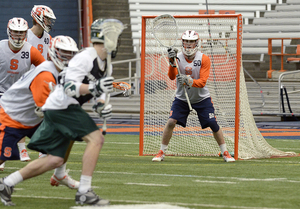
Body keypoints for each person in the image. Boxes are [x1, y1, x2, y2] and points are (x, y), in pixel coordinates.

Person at [0, 18, 121, 206]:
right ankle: (84, 191)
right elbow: (70, 87)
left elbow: (99, 92)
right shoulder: (79, 60)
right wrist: (94, 88)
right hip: (55, 107)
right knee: (96, 139)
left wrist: (101, 105)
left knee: (54, 159)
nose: (68, 58)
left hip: (56, 108)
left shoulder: (106, 62)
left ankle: (8, 183)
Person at [0, 36, 80, 200]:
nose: (68, 58)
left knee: (64, 138)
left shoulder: (56, 71)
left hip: (29, 118)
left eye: (71, 54)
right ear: (54, 52)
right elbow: (45, 109)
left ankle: (60, 174)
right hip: (10, 118)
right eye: (64, 53)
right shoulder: (46, 74)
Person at [152, 30, 235, 163]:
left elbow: (202, 82)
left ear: (197, 42)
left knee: (212, 123)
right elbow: (172, 76)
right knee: (171, 121)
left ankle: (225, 152)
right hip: (182, 98)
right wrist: (172, 62)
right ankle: (161, 152)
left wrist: (189, 81)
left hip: (202, 98)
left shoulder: (204, 59)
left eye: (191, 41)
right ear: (182, 42)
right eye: (186, 41)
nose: (189, 44)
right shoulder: (177, 57)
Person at [0, 17, 45, 170]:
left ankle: (40, 153)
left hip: (19, 96)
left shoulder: (30, 50)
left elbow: (45, 70)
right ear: (9, 31)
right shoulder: (0, 48)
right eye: (15, 32)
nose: (18, 36)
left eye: (21, 33)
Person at [14, 5, 57, 163]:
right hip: (25, 79)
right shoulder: (25, 36)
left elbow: (52, 52)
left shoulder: (47, 37)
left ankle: (41, 148)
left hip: (42, 80)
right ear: (38, 18)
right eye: (46, 18)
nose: (49, 22)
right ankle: (22, 150)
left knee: (44, 116)